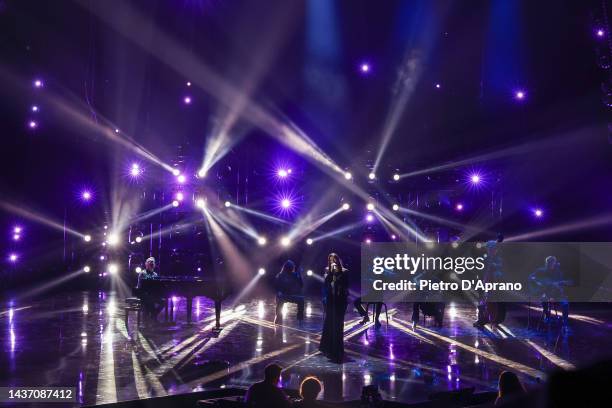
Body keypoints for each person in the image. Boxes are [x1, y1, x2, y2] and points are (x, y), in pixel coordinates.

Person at [319, 253, 349, 363]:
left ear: (338, 260)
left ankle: (338, 349)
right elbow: (325, 284)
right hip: (331, 300)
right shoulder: (327, 271)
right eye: (330, 260)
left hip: (340, 301)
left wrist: (337, 277)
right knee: (329, 323)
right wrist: (330, 274)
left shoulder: (344, 272)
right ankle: (327, 348)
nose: (333, 262)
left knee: (338, 324)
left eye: (334, 260)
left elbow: (345, 286)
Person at [529, 256, 569, 326]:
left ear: (555, 263)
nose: (550, 265)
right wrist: (537, 282)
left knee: (565, 303)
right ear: (546, 263)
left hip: (557, 294)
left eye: (552, 263)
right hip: (546, 293)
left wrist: (559, 287)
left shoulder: (558, 273)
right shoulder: (540, 271)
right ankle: (547, 315)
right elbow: (531, 277)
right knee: (544, 299)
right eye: (549, 263)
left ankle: (565, 321)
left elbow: (561, 285)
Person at [274, 260, 305, 324]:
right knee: (279, 300)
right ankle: (278, 316)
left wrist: (300, 275)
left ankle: (300, 318)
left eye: (291, 267)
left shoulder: (295, 275)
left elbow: (301, 285)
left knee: (301, 300)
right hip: (283, 295)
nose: (291, 268)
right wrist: (279, 292)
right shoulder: (280, 275)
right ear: (286, 267)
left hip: (292, 295)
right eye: (289, 267)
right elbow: (276, 286)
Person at [136, 257, 165, 321]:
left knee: (163, 301)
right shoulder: (142, 273)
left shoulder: (155, 274)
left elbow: (157, 286)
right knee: (149, 300)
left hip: (152, 294)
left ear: (154, 265)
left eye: (153, 262)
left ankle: (153, 314)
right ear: (146, 264)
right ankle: (150, 318)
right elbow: (141, 286)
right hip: (143, 293)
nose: (151, 263)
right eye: (150, 262)